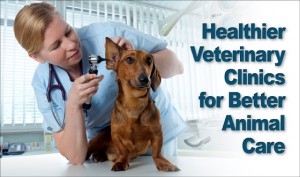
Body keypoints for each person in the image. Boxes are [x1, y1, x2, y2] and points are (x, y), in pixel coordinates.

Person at [14, 2, 187, 165]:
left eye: (67, 32)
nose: (71, 44)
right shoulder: (43, 85)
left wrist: (137, 62)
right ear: (37, 57)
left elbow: (176, 66)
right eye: (56, 45)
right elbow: (76, 157)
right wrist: (73, 105)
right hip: (109, 146)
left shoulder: (109, 35)